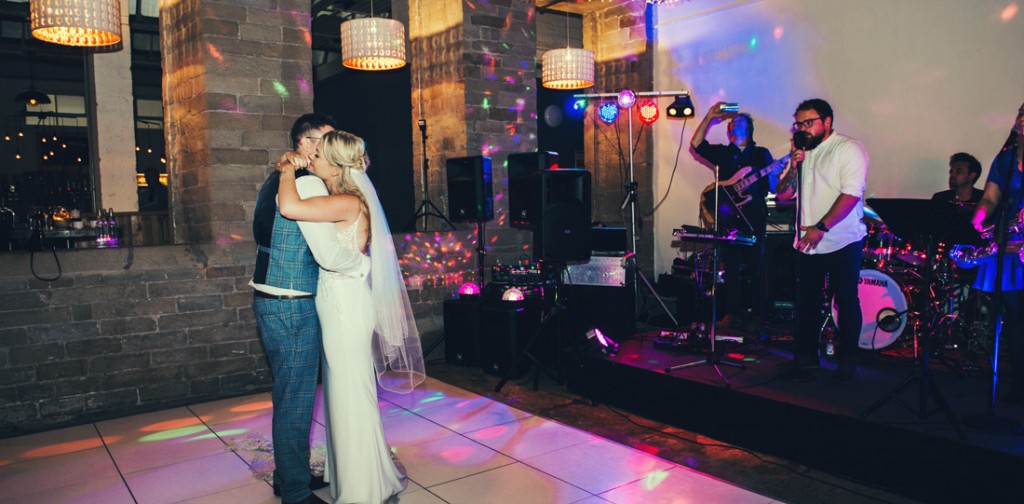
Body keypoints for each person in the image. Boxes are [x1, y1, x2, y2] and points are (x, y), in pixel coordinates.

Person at [276, 129, 426, 504]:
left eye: (320, 156)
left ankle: (363, 490)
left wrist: (284, 171)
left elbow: (289, 207)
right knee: (346, 394)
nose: (313, 160)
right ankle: (361, 475)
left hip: (345, 306)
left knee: (350, 396)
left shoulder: (346, 202)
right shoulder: (346, 199)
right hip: (340, 301)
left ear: (336, 165)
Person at [252, 113, 358, 504]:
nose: (332, 147)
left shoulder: (276, 178)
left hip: (271, 296)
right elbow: (328, 252)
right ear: (306, 142)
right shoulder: (308, 182)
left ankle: (288, 475)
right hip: (292, 301)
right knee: (296, 401)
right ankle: (295, 493)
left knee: (288, 395)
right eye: (327, 140)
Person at [777, 98, 869, 383]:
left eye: (809, 123)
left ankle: (848, 361)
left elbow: (851, 195)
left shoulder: (848, 149)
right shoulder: (803, 152)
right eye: (799, 123)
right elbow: (782, 194)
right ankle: (807, 358)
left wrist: (821, 227)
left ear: (827, 122)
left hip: (841, 240)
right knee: (806, 302)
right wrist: (793, 166)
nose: (802, 128)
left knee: (845, 300)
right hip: (806, 242)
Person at [691, 101, 776, 332]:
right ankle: (731, 314)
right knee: (730, 269)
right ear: (729, 131)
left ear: (748, 129)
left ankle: (760, 315)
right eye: (732, 122)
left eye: (740, 121)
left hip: (753, 219)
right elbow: (696, 144)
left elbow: (774, 187)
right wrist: (709, 116)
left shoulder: (761, 155)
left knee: (758, 268)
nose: (734, 122)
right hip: (728, 219)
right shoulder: (722, 153)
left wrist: (782, 173)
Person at [969, 101, 1024, 403]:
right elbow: (990, 197)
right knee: (1015, 317)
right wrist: (978, 221)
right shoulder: (1004, 159)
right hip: (1011, 245)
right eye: (1021, 114)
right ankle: (1018, 384)